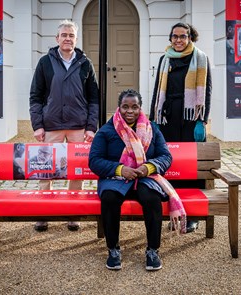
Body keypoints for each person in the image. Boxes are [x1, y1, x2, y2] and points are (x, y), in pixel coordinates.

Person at [89, 89, 186, 271]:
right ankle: (113, 249)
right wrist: (120, 169)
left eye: (134, 107)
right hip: (115, 178)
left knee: (151, 198)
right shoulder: (106, 131)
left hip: (145, 177)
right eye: (125, 107)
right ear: (119, 108)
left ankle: (152, 250)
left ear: (140, 108)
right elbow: (94, 160)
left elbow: (165, 156)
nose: (130, 111)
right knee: (109, 198)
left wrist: (148, 167)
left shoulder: (152, 129)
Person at [29, 19, 99, 232]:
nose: (67, 38)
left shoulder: (85, 63)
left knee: (77, 171)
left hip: (78, 125)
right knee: (45, 170)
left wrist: (91, 126)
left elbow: (94, 98)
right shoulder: (45, 62)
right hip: (52, 125)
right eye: (64, 35)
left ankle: (73, 212)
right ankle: (43, 213)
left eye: (71, 35)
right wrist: (37, 125)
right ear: (57, 38)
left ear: (76, 39)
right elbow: (36, 96)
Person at [149, 22, 212, 233]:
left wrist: (202, 121)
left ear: (190, 38)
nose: (178, 40)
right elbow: (157, 92)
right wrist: (152, 121)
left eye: (183, 36)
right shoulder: (164, 59)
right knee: (169, 163)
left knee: (190, 166)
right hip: (167, 118)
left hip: (190, 118)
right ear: (170, 38)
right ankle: (170, 206)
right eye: (174, 36)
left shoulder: (201, 59)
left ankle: (192, 213)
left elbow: (207, 91)